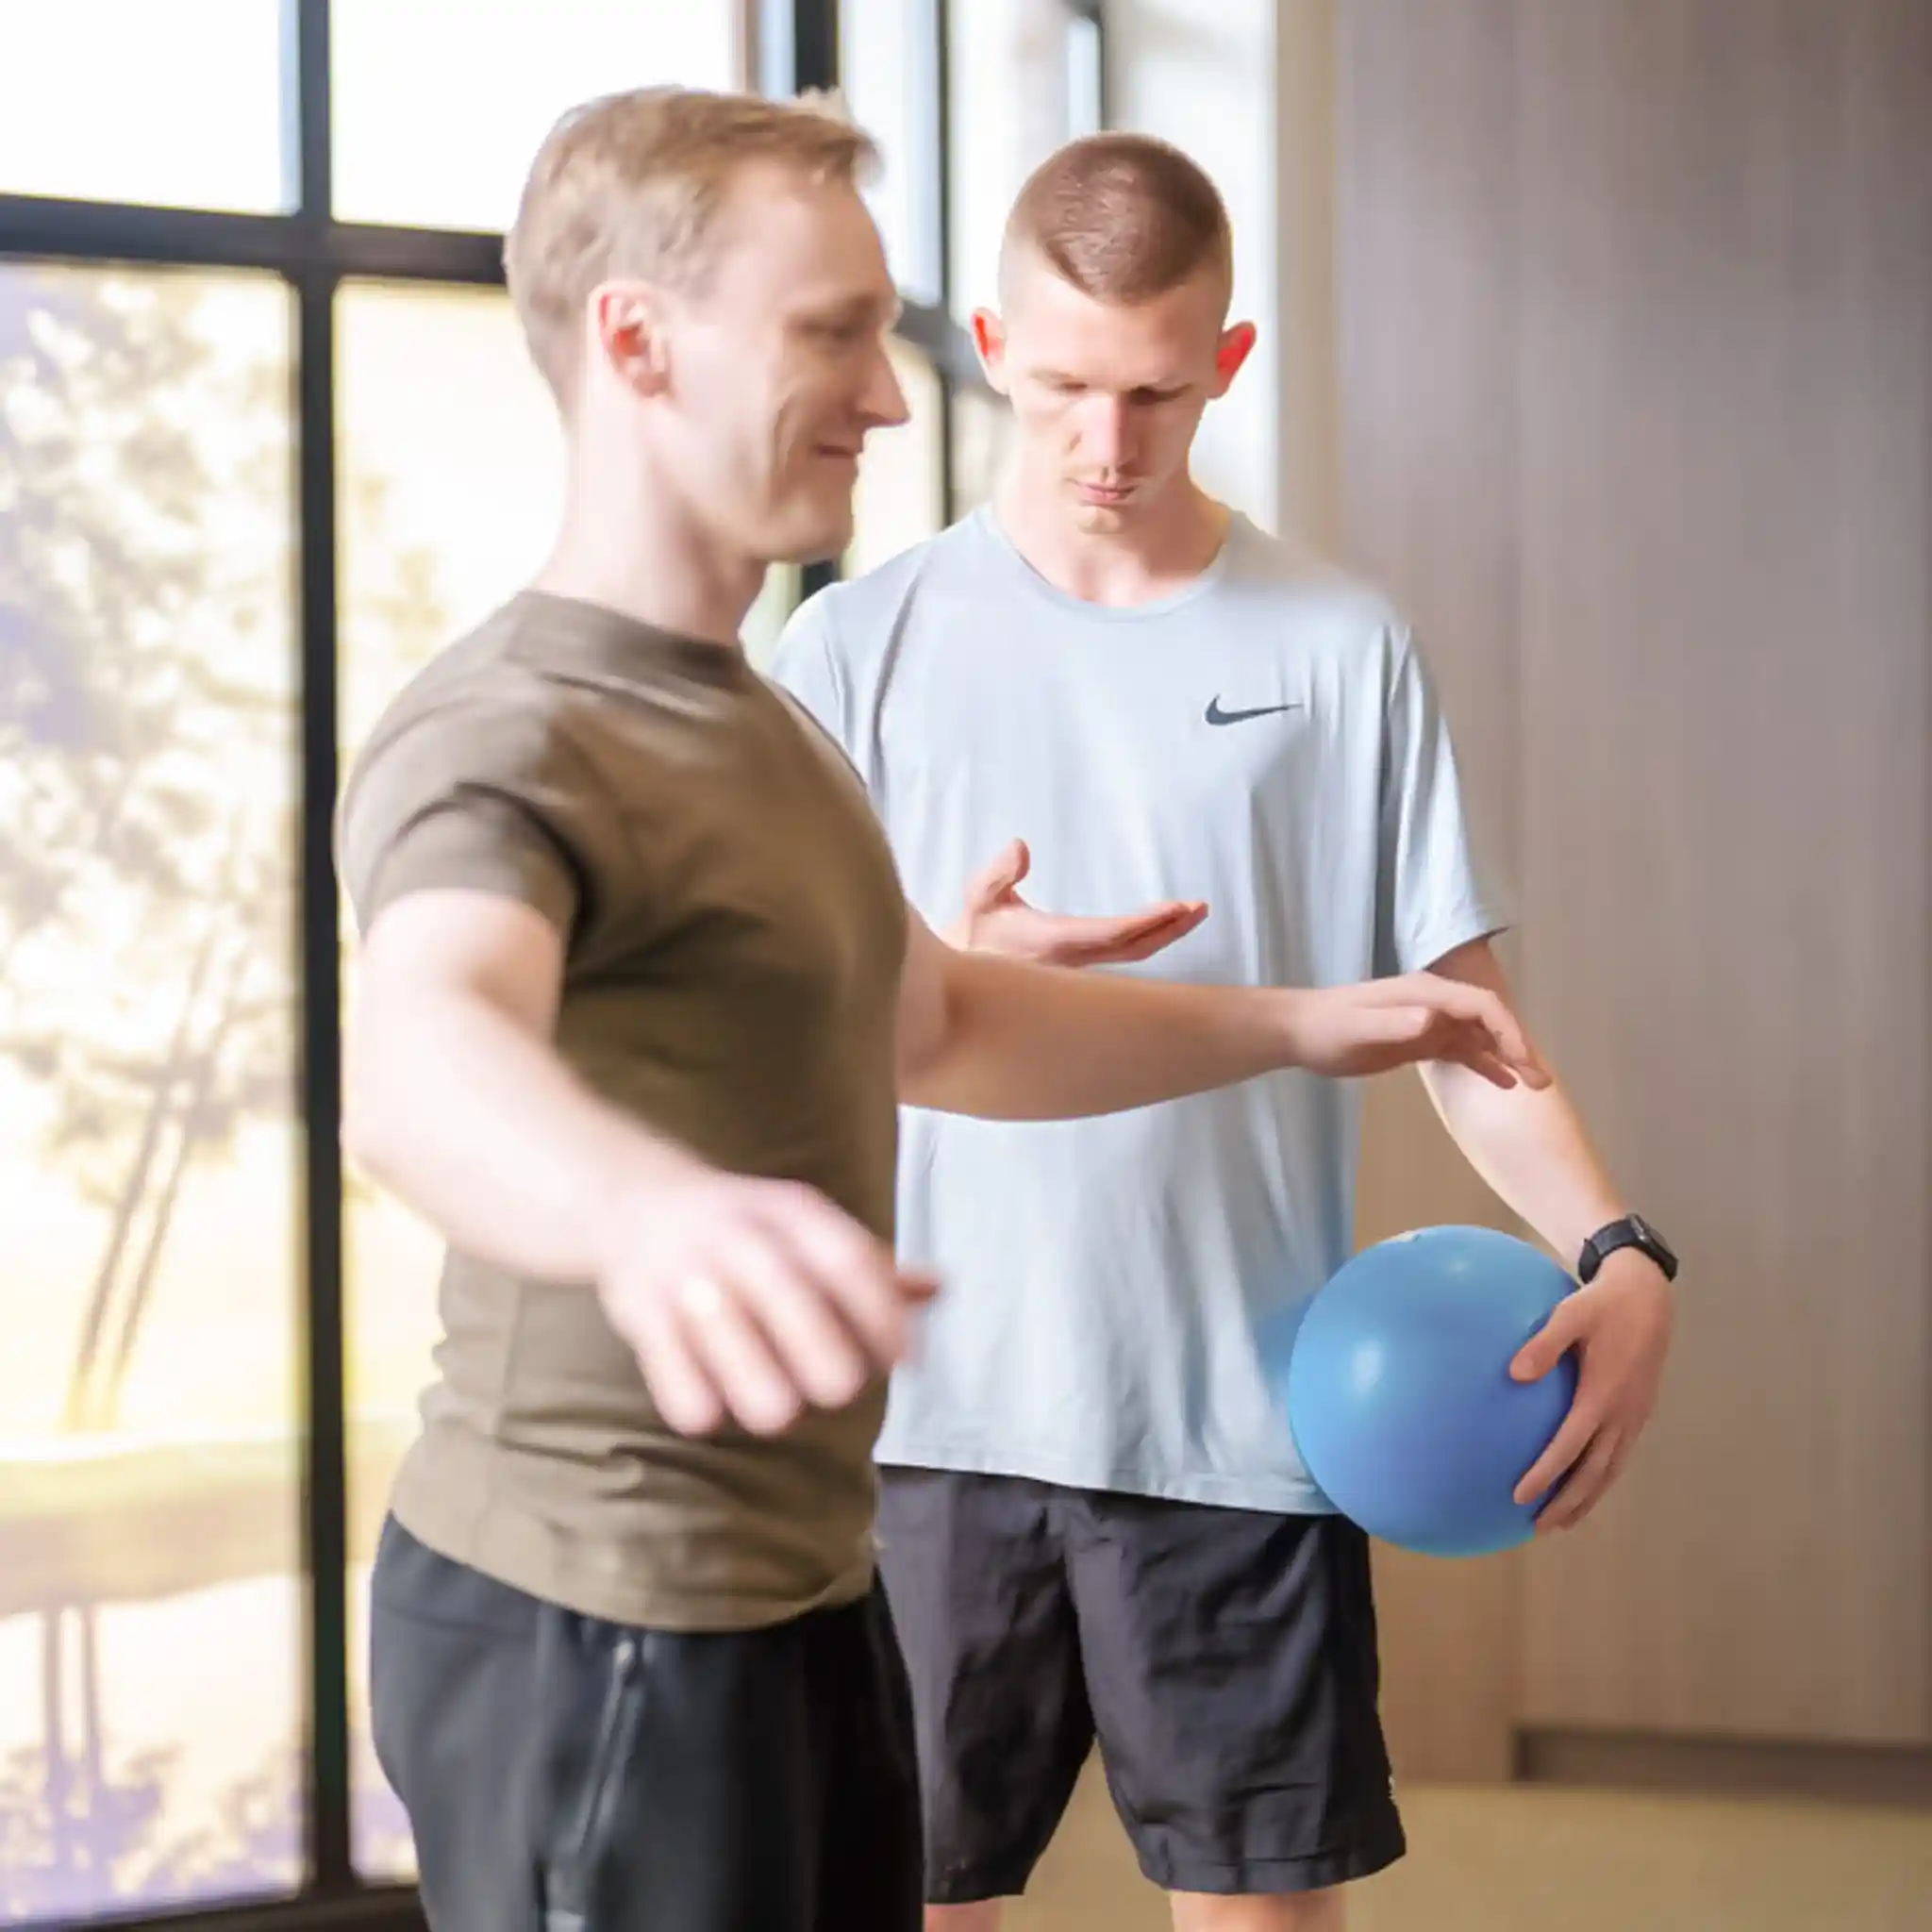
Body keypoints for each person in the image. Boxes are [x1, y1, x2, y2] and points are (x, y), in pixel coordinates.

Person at [334, 89, 1549, 1932]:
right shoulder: (520, 726)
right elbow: (422, 1054)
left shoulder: (751, 719)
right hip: (601, 1612)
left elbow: (944, 1029)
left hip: (797, 1589)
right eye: (834, 333)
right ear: (637, 344)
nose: (897, 398)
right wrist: (641, 1207)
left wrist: (1304, 1026)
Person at [768, 132, 1680, 1932]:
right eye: (1068, 392)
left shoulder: (1342, 647)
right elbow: (791, 1039)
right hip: (927, 1431)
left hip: (1242, 1424)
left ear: (1228, 364)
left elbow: (1459, 1020)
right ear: (990, 344)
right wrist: (952, 969)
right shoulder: (851, 654)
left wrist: (1617, 1245)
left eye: (1161, 397)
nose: (1109, 447)